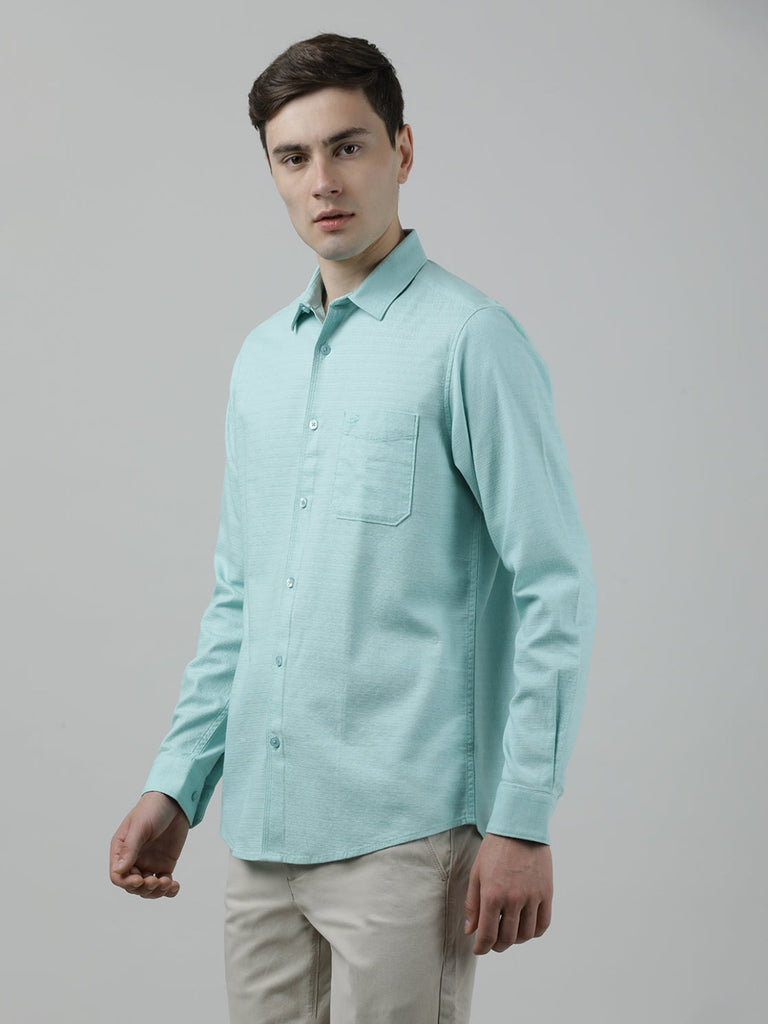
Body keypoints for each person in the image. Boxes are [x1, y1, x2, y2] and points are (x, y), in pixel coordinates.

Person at [109, 33, 597, 1024]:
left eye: (349, 146)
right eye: (293, 157)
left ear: (402, 150)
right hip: (260, 833)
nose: (323, 181)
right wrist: (179, 782)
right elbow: (241, 598)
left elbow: (556, 585)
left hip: (407, 837)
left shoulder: (471, 341)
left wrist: (523, 817)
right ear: (272, 173)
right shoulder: (261, 361)